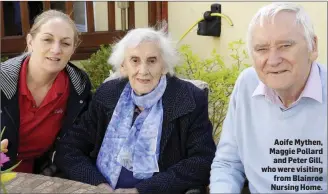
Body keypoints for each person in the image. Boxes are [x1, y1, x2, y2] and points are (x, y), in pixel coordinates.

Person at [55, 27, 216, 194]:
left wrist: (142, 190)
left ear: (164, 66)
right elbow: (69, 148)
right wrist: (98, 184)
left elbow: (202, 161)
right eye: (135, 60)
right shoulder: (108, 94)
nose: (143, 70)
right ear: (123, 66)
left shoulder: (188, 99)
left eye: (152, 60)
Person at [210, 2, 327, 193]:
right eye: (262, 49)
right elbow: (228, 163)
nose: (273, 60)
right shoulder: (247, 84)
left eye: (285, 45)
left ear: (313, 46)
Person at [0, 10, 92, 176]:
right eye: (47, 40)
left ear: (73, 49)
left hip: (45, 176)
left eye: (65, 43)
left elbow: (77, 142)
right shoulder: (2, 80)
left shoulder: (79, 86)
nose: (56, 50)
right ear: (30, 41)